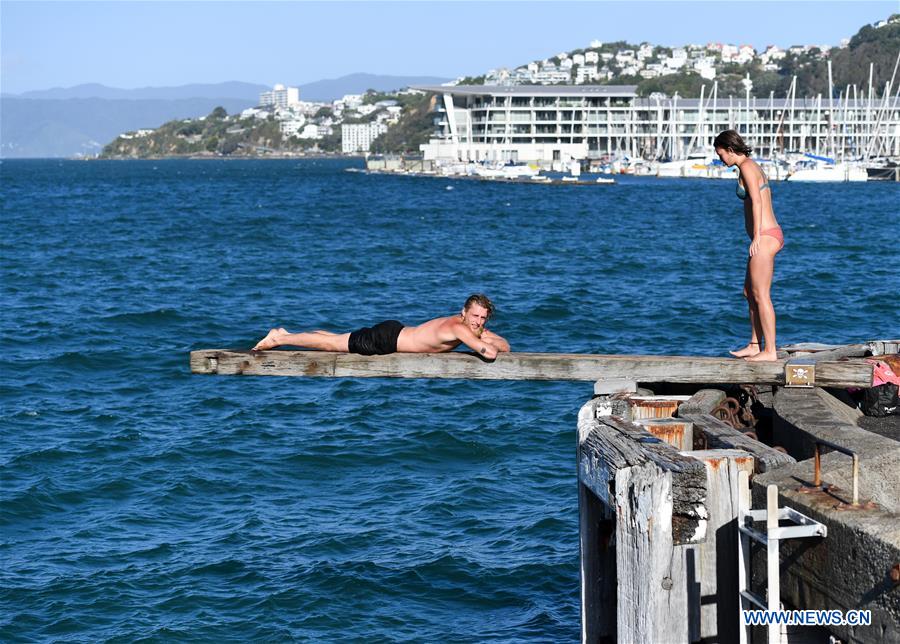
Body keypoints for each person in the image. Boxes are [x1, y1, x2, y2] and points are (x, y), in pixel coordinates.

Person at [252, 294, 511, 359]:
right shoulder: (460, 327)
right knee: (332, 345)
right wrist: (485, 339)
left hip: (394, 332)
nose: (478, 321)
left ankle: (288, 334)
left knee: (336, 339)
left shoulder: (467, 328)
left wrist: (485, 336)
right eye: (474, 316)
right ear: (463, 313)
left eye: (482, 318)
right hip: (385, 341)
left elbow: (505, 346)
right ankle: (280, 339)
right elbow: (490, 352)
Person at [714, 130, 784, 362]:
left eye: (721, 154)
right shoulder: (750, 166)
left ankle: (770, 351)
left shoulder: (747, 167)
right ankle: (755, 344)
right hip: (764, 235)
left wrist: (755, 236)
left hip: (764, 236)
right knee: (749, 292)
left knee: (761, 294)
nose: (721, 159)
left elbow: (755, 200)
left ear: (730, 150)